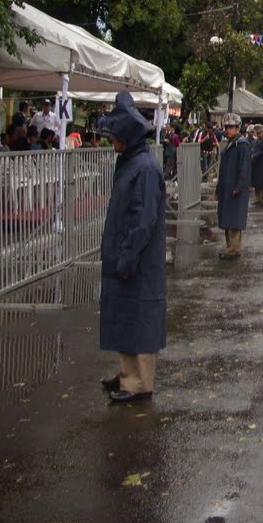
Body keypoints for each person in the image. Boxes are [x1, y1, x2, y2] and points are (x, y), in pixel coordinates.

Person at [99, 92, 167, 404]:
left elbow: (144, 220)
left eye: (113, 135)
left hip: (137, 258)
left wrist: (128, 255)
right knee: (124, 316)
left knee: (139, 317)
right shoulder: (131, 162)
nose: (110, 140)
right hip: (124, 252)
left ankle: (140, 382)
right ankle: (127, 374)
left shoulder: (145, 168)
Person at [216, 113, 252, 260]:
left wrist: (239, 186)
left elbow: (244, 169)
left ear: (238, 128)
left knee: (235, 219)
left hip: (236, 188)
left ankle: (234, 248)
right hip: (226, 187)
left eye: (231, 127)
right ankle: (229, 246)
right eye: (226, 127)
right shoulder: (230, 144)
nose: (227, 130)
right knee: (226, 218)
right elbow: (222, 170)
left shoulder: (243, 145)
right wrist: (218, 188)